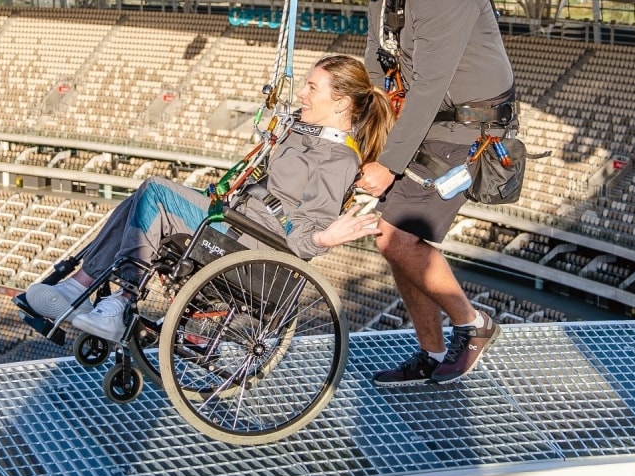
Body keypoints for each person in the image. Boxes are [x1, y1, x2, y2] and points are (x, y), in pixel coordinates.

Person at [20, 54, 395, 341]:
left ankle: (120, 299)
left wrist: (324, 239)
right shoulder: (305, 131)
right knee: (142, 197)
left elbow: (303, 238)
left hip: (255, 245)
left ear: (342, 102)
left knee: (156, 191)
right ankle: (79, 286)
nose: (302, 94)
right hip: (237, 222)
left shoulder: (339, 159)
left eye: (312, 88)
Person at [317, 0, 517, 386]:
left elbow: (428, 85)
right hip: (433, 123)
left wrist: (388, 163)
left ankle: (473, 324)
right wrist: (353, 135)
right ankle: (431, 351)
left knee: (394, 236)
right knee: (395, 241)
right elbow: (375, 66)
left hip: (467, 128)